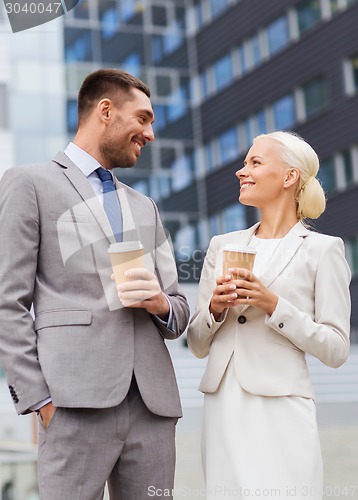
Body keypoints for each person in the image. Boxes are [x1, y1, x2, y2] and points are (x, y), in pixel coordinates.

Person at [0, 69, 190, 499]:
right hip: (71, 406)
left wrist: (160, 303)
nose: (150, 133)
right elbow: (7, 303)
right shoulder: (29, 183)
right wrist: (41, 401)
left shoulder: (146, 207)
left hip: (152, 408)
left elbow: (178, 311)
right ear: (106, 110)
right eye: (143, 119)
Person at [187, 131, 351, 499]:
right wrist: (214, 309)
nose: (241, 171)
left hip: (281, 408)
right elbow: (197, 344)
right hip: (223, 406)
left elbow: (337, 348)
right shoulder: (221, 246)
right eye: (245, 163)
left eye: (254, 163)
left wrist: (273, 305)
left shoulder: (323, 251)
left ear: (289, 176)